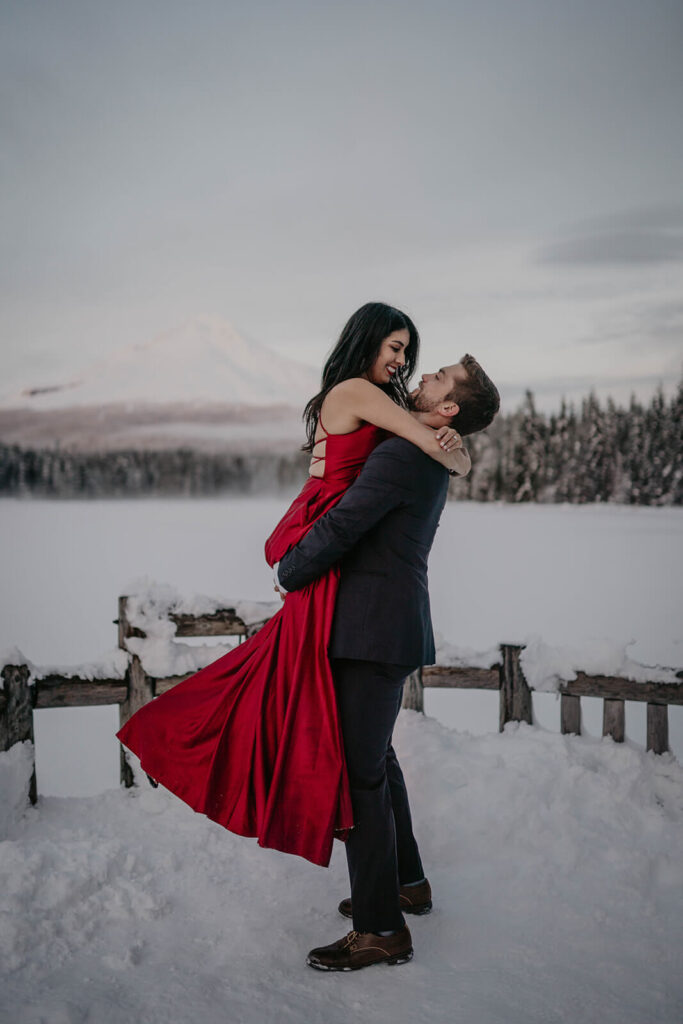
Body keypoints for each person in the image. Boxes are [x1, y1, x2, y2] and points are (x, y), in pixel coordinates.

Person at [115, 302, 467, 870]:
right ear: (368, 340)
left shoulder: (379, 402)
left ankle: (400, 884)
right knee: (278, 680)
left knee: (318, 709)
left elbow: (414, 432)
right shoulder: (353, 390)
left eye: (407, 351)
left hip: (337, 546)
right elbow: (415, 434)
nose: (403, 361)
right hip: (321, 527)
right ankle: (188, 745)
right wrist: (459, 457)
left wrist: (447, 440)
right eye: (395, 347)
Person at [274, 354, 500, 971]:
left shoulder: (405, 453)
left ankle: (380, 929)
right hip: (387, 628)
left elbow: (347, 521)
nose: (424, 375)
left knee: (359, 774)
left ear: (448, 407)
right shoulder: (423, 445)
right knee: (377, 759)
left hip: (372, 632)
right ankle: (408, 883)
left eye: (440, 377)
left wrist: (291, 570)